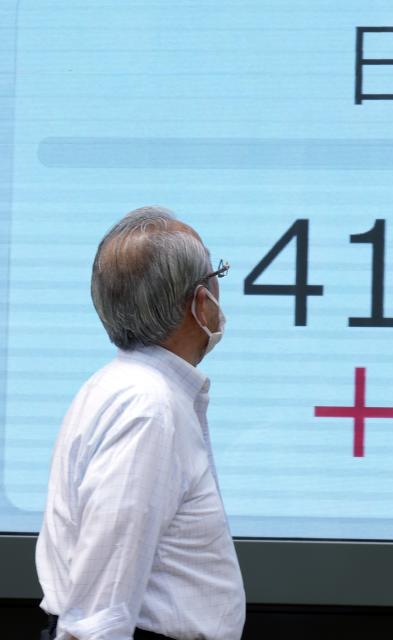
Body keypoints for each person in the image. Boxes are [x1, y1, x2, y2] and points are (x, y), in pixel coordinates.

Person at [36, 206, 245, 640]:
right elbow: (99, 618)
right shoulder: (148, 409)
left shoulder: (123, 387)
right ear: (199, 303)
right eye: (216, 273)